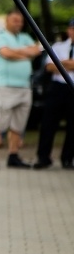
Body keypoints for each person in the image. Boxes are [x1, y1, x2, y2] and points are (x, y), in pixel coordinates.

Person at [0, 8, 42, 169]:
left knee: (19, 124)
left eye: (21, 21)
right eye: (15, 20)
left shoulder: (24, 37)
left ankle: (13, 155)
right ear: (7, 21)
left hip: (24, 86)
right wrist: (26, 53)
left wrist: (18, 52)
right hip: (5, 86)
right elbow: (6, 53)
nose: (18, 23)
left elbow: (37, 50)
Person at [34, 19, 74, 169]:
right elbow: (49, 66)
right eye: (72, 29)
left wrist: (62, 63)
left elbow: (57, 64)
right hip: (58, 87)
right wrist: (69, 64)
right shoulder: (58, 46)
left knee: (72, 125)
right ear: (69, 30)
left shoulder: (59, 51)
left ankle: (68, 158)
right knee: (48, 123)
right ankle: (43, 157)